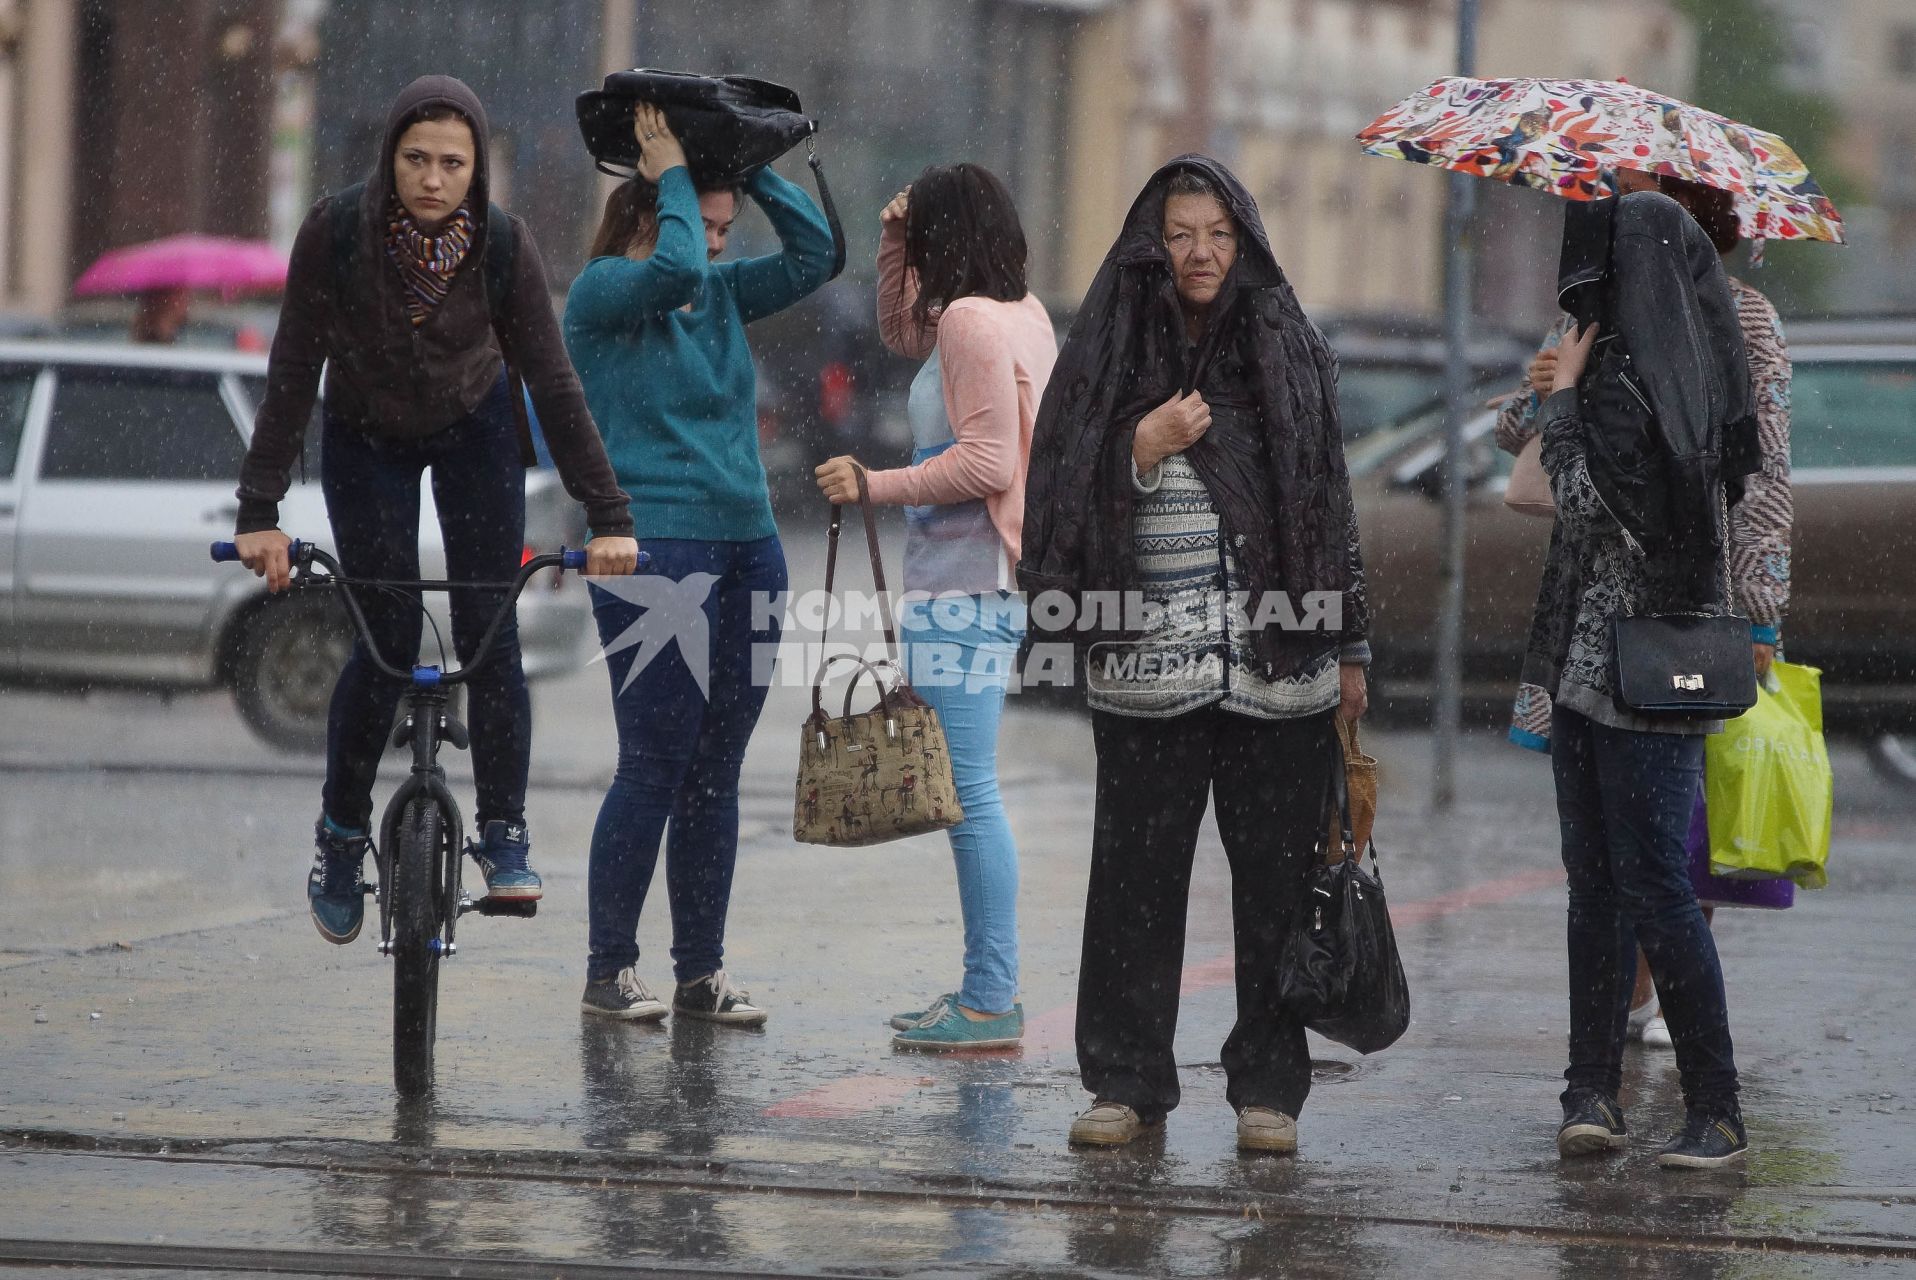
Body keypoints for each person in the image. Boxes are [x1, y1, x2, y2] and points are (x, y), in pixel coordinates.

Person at [231, 75, 639, 946]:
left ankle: (505, 830)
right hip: (365, 431)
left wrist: (610, 517)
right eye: (416, 158)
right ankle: (342, 836)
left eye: (453, 163)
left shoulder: (503, 245)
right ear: (390, 158)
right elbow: (294, 373)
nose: (432, 178)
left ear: (476, 168)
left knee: (491, 629)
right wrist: (257, 509)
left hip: (474, 425)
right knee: (381, 635)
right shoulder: (338, 232)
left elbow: (556, 385)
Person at [1018, 157, 1371, 1154]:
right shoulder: (1112, 345)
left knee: (1272, 889)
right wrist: (1141, 441)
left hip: (1278, 668)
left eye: (1216, 232)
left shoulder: (1287, 343)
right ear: (1150, 241)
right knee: (1133, 884)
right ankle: (1124, 1082)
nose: (1199, 252)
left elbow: (1325, 498)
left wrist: (1349, 643)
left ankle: (1268, 1088)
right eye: (1180, 233)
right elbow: (1062, 475)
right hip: (1144, 669)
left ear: (1244, 238)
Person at [1496, 169, 1793, 1049]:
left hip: (1686, 594)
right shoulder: (1594, 306)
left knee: (1666, 830)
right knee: (1599, 846)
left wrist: (1760, 611)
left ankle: (1665, 1012)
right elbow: (1527, 430)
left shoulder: (1742, 319)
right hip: (1586, 595)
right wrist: (1542, 383)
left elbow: (1764, 474)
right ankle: (1616, 1019)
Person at [565, 103, 833, 1026]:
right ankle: (609, 970)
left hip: (749, 545)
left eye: (725, 230)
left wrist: (748, 166)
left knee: (718, 766)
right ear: (647, 212)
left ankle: (699, 972)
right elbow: (673, 262)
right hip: (656, 546)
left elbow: (816, 257)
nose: (713, 248)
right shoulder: (601, 291)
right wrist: (676, 171)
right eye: (700, 224)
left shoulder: (717, 291)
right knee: (655, 759)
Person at [1523, 188, 1759, 1170]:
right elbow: (1523, 447)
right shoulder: (1646, 358)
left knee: (1654, 885)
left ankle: (1716, 1105)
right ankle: (1589, 1092)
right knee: (1594, 887)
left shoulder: (1664, 381)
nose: (1581, 280)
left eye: (1596, 263)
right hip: (1584, 673)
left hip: (1647, 675)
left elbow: (1587, 503)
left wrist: (1561, 402)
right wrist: (1546, 386)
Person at [813, 164, 1058, 1051]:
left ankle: (991, 1001)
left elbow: (990, 462)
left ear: (943, 239)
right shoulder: (1014, 315)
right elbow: (897, 329)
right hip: (981, 582)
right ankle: (984, 991)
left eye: (916, 237)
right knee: (968, 794)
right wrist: (888, 244)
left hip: (963, 583)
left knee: (970, 797)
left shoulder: (971, 322)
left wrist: (875, 483)